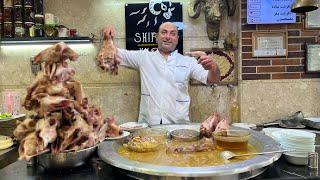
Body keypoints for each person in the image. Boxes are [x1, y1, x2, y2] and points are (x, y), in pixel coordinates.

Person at [105, 22, 220, 125]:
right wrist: (108, 39)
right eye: (164, 32)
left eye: (172, 33)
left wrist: (213, 66)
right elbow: (113, 54)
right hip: (149, 126)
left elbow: (213, 80)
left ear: (177, 38)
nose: (167, 37)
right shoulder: (143, 57)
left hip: (178, 127)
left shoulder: (188, 61)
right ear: (156, 37)